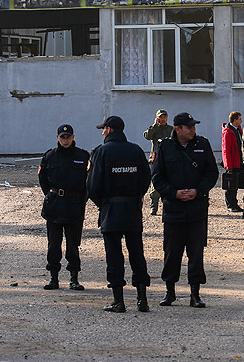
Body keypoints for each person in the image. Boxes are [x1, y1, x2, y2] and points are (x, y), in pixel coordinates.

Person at [152, 112, 219, 308]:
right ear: (178, 129)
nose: (192, 130)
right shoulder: (164, 147)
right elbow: (156, 176)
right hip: (173, 209)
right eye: (188, 127)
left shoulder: (202, 145)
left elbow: (212, 173)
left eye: (193, 126)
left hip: (197, 209)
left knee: (196, 252)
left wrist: (198, 191)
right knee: (172, 252)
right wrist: (174, 193)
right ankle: (169, 291)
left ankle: (195, 294)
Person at [87, 116, 152, 313]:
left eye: (103, 129)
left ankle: (119, 301)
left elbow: (92, 185)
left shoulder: (101, 152)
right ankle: (142, 299)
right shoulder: (136, 150)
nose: (102, 132)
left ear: (109, 129)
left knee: (114, 256)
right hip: (132, 209)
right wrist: (134, 198)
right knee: (137, 254)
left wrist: (103, 204)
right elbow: (145, 180)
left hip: (110, 210)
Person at [38, 124, 90, 291]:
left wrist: (82, 200)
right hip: (54, 205)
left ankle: (74, 278)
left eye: (68, 137)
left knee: (73, 244)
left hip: (74, 205)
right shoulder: (50, 156)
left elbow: (89, 182)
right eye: (62, 137)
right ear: (57, 138)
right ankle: (54, 277)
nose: (65, 140)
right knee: (53, 244)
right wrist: (51, 195)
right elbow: (42, 179)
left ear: (73, 137)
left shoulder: (83, 156)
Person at [143, 109, 173, 215]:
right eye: (161, 116)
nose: (163, 118)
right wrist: (155, 125)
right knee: (155, 184)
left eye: (164, 116)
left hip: (169, 159)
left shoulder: (171, 129)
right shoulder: (154, 129)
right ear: (157, 118)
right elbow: (147, 136)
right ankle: (153, 207)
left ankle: (168, 206)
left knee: (169, 182)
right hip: (156, 158)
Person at [221, 111, 244, 213]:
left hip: (238, 161)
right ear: (235, 120)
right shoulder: (228, 132)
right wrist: (228, 165)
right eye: (239, 119)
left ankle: (235, 203)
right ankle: (230, 205)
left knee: (235, 184)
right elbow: (226, 150)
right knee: (230, 185)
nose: (241, 120)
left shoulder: (237, 130)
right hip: (232, 163)